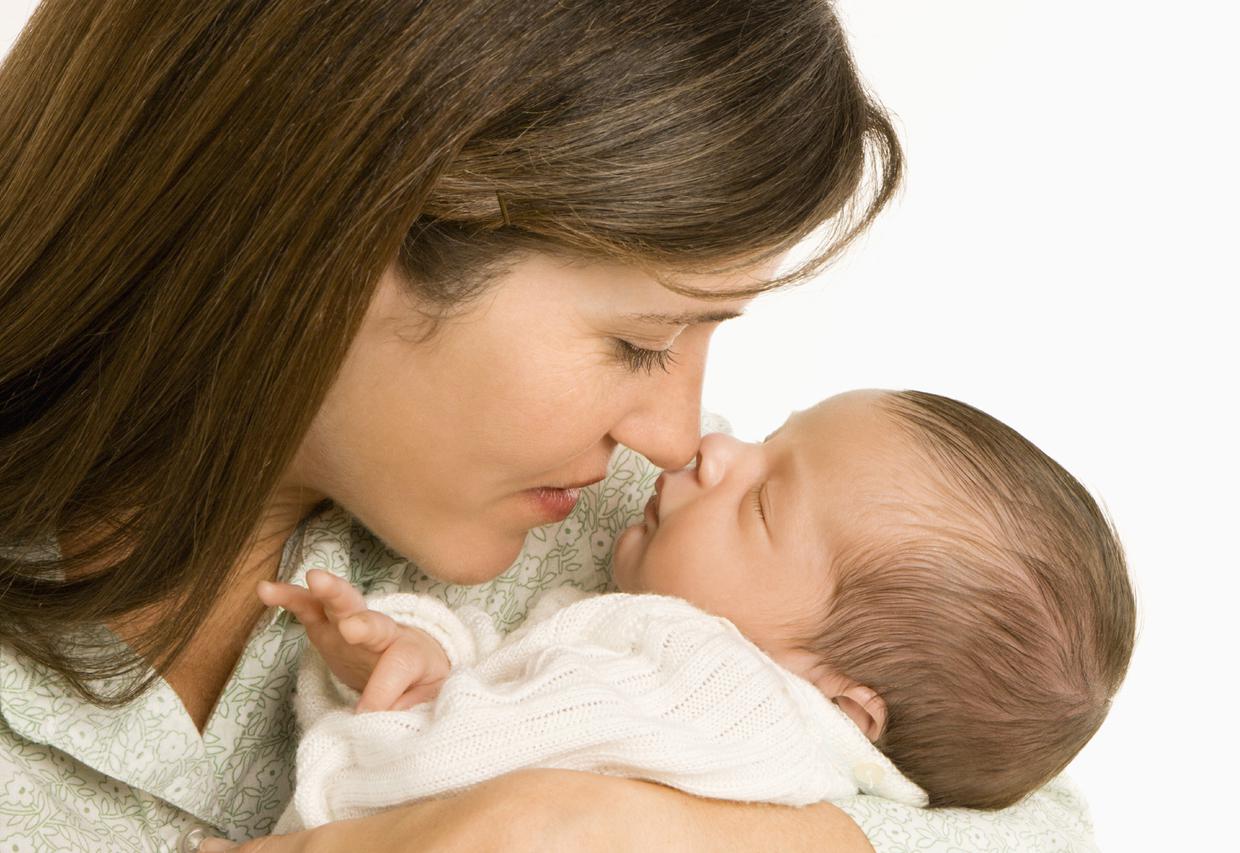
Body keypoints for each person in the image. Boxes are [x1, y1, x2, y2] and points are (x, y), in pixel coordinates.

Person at [0, 2, 1098, 851]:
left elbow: (1027, 813)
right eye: (639, 341)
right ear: (341, 240)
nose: (677, 435)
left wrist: (575, 825)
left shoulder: (630, 546)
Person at [258, 389, 1134, 832]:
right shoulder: (756, 750)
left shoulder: (717, 689)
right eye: (762, 440)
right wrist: (432, 659)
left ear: (838, 700)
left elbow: (468, 789)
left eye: (760, 502)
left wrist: (390, 727)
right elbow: (523, 723)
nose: (713, 447)